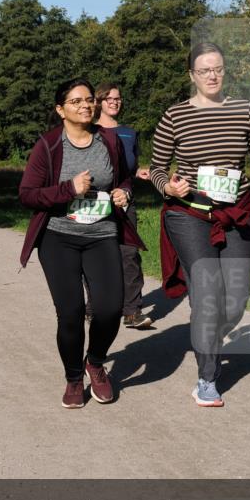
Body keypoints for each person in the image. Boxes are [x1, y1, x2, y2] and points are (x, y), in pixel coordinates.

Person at [149, 42, 250, 407]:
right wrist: (168, 186)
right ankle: (207, 378)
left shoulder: (245, 111)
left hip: (237, 212)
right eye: (204, 70)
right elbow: (157, 169)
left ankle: (210, 337)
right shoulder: (175, 116)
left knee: (235, 298)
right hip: (189, 214)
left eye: (217, 68)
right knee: (206, 294)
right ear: (192, 75)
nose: (212, 75)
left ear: (225, 71)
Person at [19, 78, 146, 408]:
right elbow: (27, 194)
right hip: (58, 238)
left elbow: (124, 177)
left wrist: (124, 192)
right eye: (76, 101)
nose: (85, 105)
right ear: (61, 110)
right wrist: (68, 189)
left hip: (102, 234)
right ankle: (74, 378)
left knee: (110, 309)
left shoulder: (109, 140)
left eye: (89, 99)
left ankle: (95, 362)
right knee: (71, 313)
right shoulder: (48, 145)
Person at [93, 82, 152, 329]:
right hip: (94, 201)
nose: (114, 102)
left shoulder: (129, 133)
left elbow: (129, 166)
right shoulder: (89, 131)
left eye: (118, 98)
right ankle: (95, 306)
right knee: (95, 255)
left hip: (124, 199)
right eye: (109, 98)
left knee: (129, 254)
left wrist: (139, 172)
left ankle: (132, 311)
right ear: (98, 102)